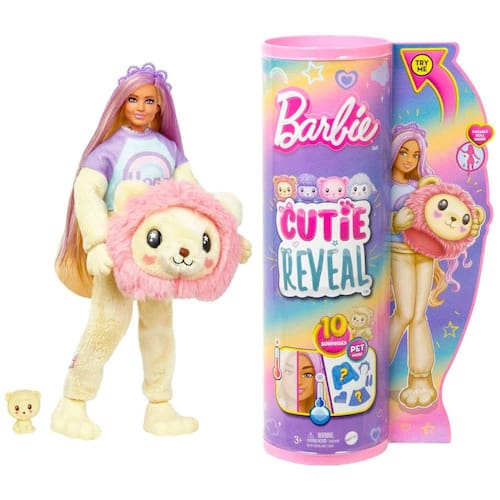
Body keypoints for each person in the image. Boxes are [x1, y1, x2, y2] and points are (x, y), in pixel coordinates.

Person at [51, 63, 250, 439]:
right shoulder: (109, 150)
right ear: (120, 102)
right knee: (107, 324)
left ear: (161, 106)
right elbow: (87, 192)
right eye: (133, 99)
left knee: (159, 327)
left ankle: (159, 404)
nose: (141, 107)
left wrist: (226, 235)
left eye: (149, 101)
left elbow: (193, 196)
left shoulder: (169, 149)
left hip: (158, 252)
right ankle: (72, 402)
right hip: (118, 248)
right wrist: (96, 241)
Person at [390, 122, 445, 409]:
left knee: (419, 315)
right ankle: (376, 365)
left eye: (415, 154)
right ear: (393, 152)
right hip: (398, 251)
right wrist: (393, 223)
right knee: (405, 313)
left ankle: (421, 379)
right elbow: (371, 219)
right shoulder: (383, 185)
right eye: (404, 152)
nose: (409, 159)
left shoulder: (419, 185)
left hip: (423, 253)